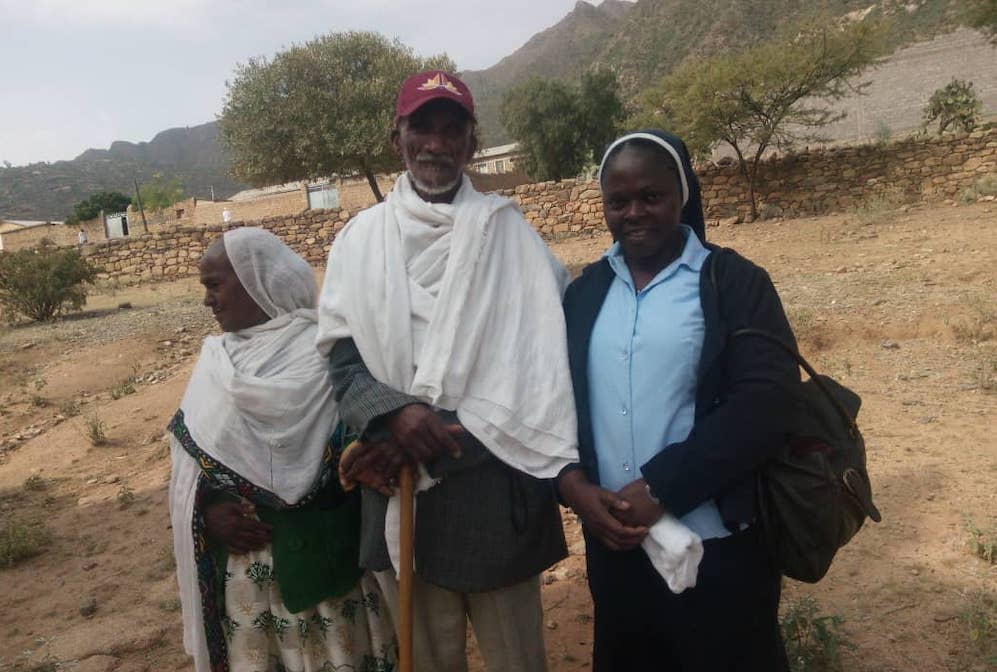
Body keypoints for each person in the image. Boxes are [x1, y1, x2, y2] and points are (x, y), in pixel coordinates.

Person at [315, 70, 578, 672]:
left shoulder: (511, 235)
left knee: (518, 658)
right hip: (397, 488)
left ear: (471, 140)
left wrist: (435, 434)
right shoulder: (360, 241)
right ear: (397, 137)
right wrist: (392, 418)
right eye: (421, 128)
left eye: (451, 129)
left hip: (493, 489)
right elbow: (342, 357)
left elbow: (539, 361)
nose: (435, 143)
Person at [558, 130, 800, 671]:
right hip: (617, 549)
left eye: (652, 196)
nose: (634, 213)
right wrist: (573, 486)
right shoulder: (586, 293)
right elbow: (560, 403)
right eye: (617, 202)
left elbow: (767, 403)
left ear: (682, 194)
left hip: (719, 552)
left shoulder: (732, 283)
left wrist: (662, 488)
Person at [168, 227, 395, 672]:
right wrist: (208, 513)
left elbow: (363, 445)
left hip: (330, 576)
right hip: (248, 585)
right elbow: (188, 472)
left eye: (215, 285)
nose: (207, 301)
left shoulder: (328, 352)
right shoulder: (216, 363)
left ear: (258, 281)